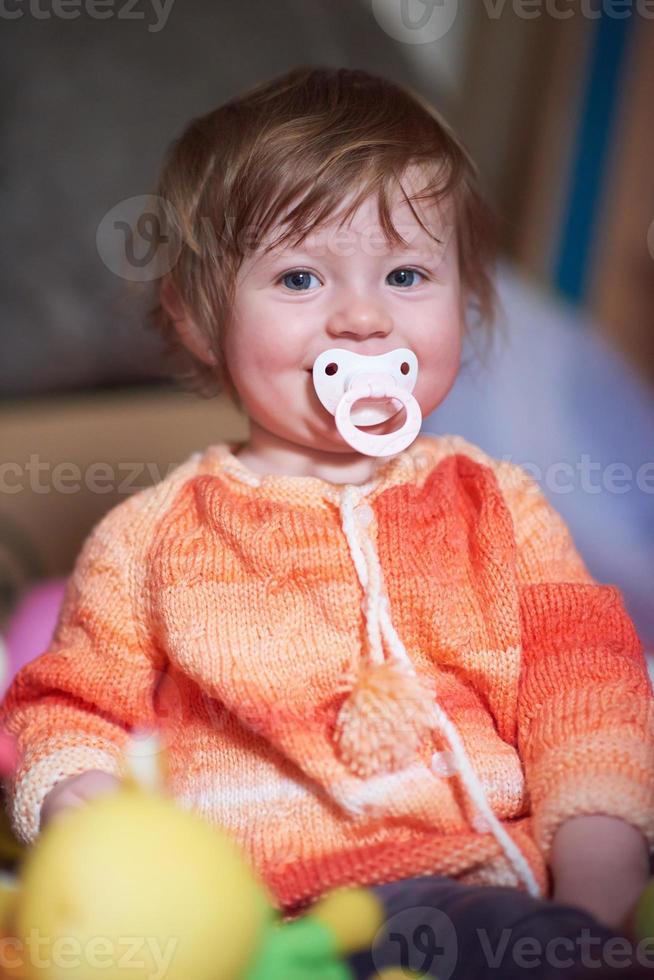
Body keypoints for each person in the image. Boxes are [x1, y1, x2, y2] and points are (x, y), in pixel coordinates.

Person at [2, 67, 653, 979]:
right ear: (198, 318)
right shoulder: (150, 537)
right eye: (301, 276)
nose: (361, 315)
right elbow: (71, 707)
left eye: (407, 273)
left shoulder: (498, 504)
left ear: (463, 303)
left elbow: (585, 688)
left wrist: (600, 851)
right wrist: (80, 796)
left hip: (496, 885)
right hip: (257, 910)